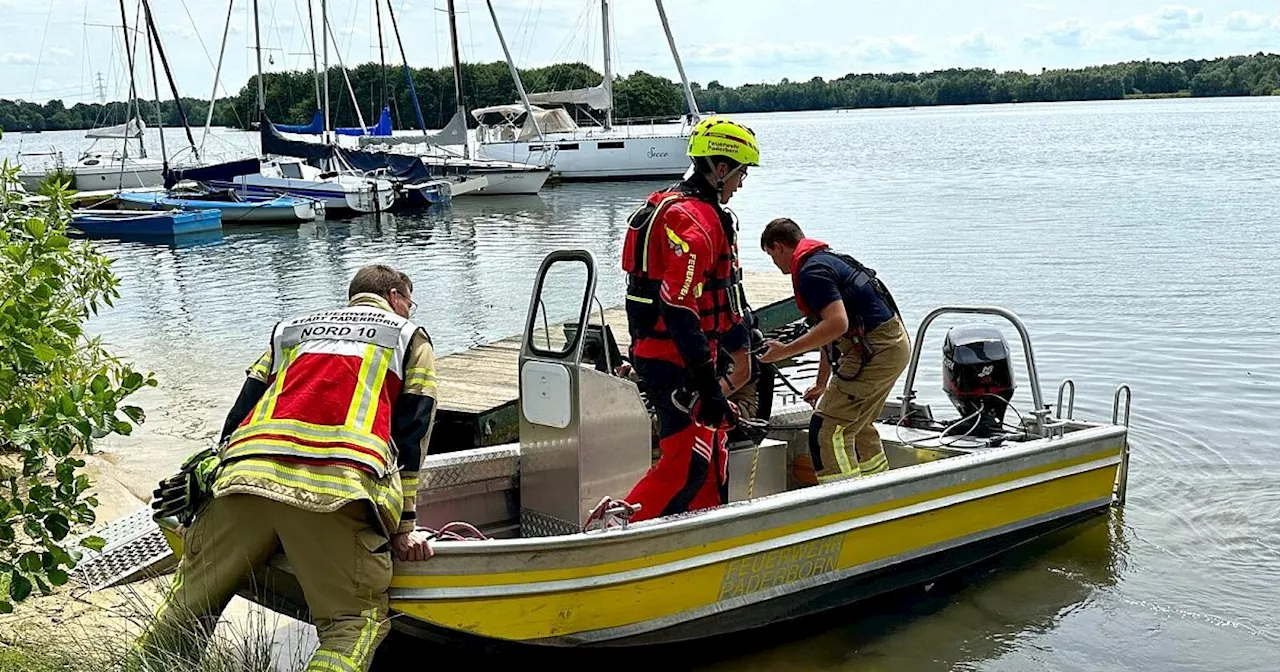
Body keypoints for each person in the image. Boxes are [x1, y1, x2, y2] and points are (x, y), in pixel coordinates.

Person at [130, 264, 438, 672]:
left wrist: (205, 499)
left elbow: (241, 412)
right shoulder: (406, 337)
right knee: (350, 625)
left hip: (241, 483)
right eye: (410, 303)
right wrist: (404, 527)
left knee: (188, 608)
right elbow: (415, 429)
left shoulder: (291, 330)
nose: (410, 311)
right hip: (335, 494)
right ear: (396, 297)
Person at [619, 115, 759, 521]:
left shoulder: (676, 208)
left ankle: (703, 533)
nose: (741, 182)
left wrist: (741, 337)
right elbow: (677, 304)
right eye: (740, 172)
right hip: (675, 362)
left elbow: (718, 293)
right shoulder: (695, 221)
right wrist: (707, 384)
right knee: (685, 464)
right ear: (720, 169)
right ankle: (616, 533)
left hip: (679, 354)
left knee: (712, 456)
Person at [757, 218, 910, 484]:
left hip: (875, 351)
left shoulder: (811, 273)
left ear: (779, 246)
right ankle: (878, 491)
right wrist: (821, 383)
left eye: (771, 256)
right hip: (891, 346)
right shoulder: (826, 261)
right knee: (856, 426)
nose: (774, 264)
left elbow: (838, 323)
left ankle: (844, 502)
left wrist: (785, 351)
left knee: (826, 429)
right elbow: (830, 333)